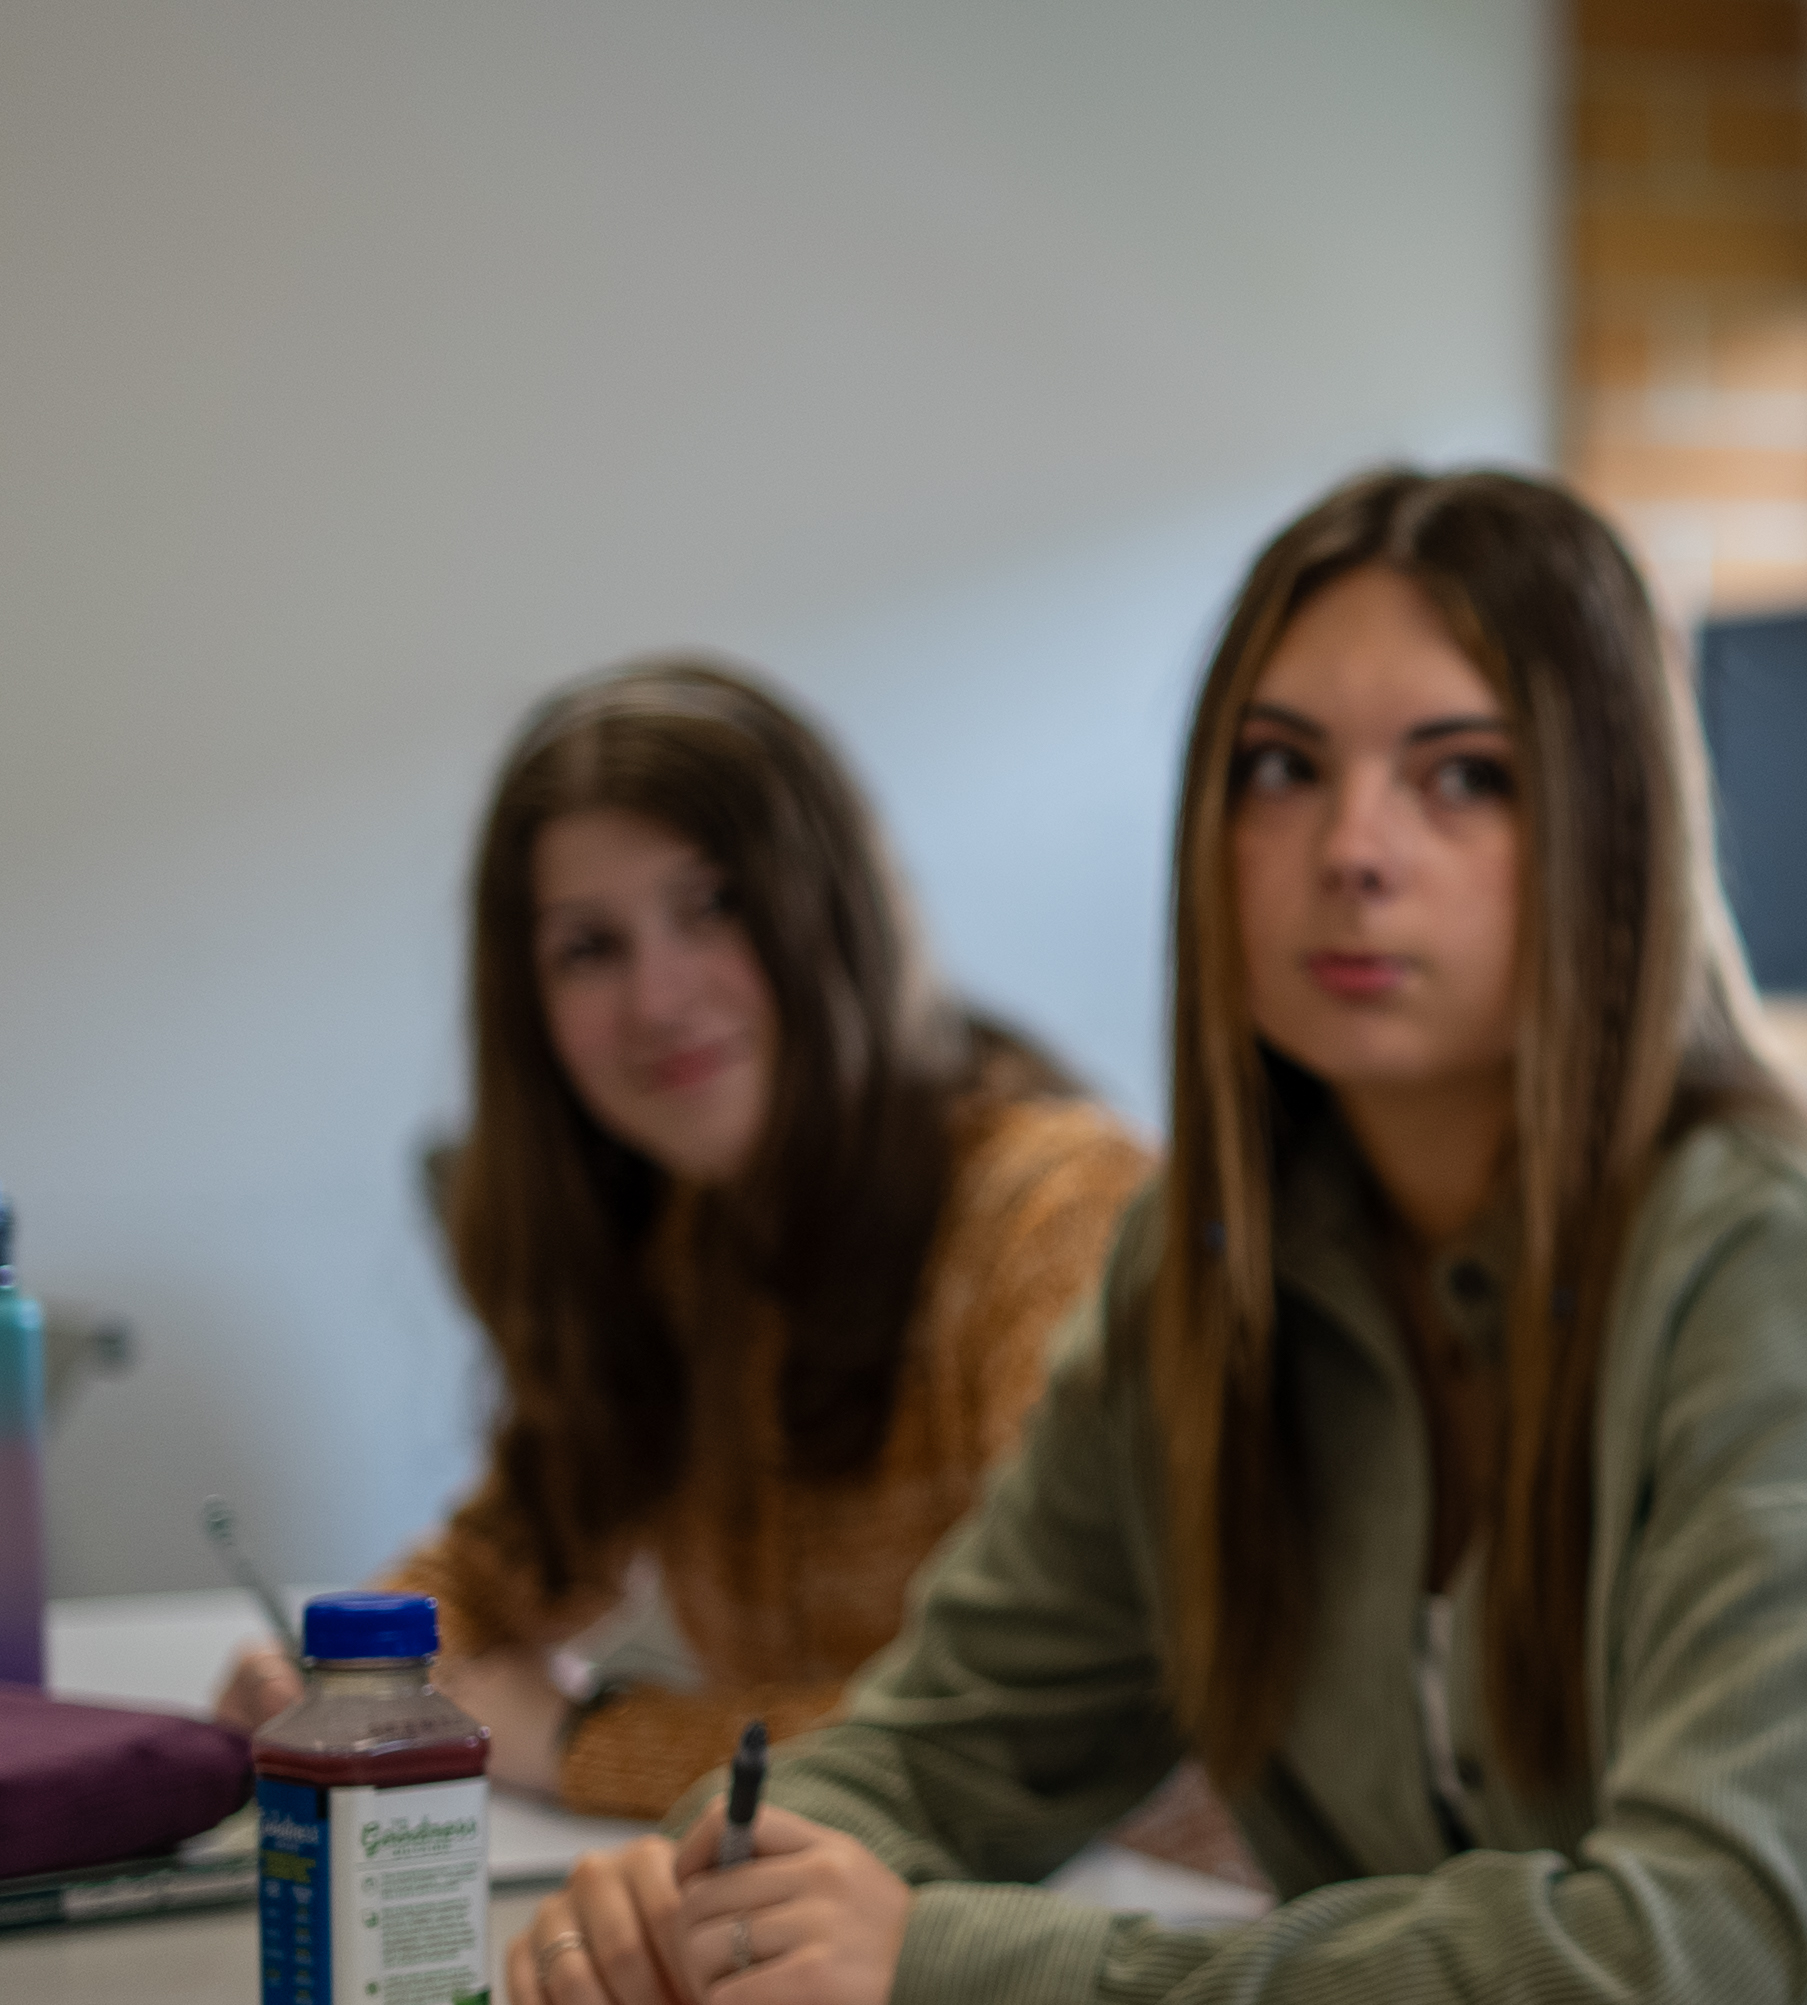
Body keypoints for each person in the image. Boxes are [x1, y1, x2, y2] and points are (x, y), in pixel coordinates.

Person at [504, 467, 1807, 2005]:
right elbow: (957, 1740)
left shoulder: (1784, 1266)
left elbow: (1709, 1962)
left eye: (1465, 777)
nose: (1352, 851)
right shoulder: (1208, 1264)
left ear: (1615, 834)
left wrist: (963, 1982)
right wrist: (707, 1893)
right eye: (1282, 769)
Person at [218, 660, 1149, 1820]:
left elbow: (1042, 1729)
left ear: (836, 909)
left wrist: (581, 1736)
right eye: (588, 948)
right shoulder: (684, 1237)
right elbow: (507, 1559)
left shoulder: (1059, 1213)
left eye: (713, 906)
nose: (657, 999)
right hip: (851, 1902)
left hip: (1142, 1903)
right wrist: (350, 1674)